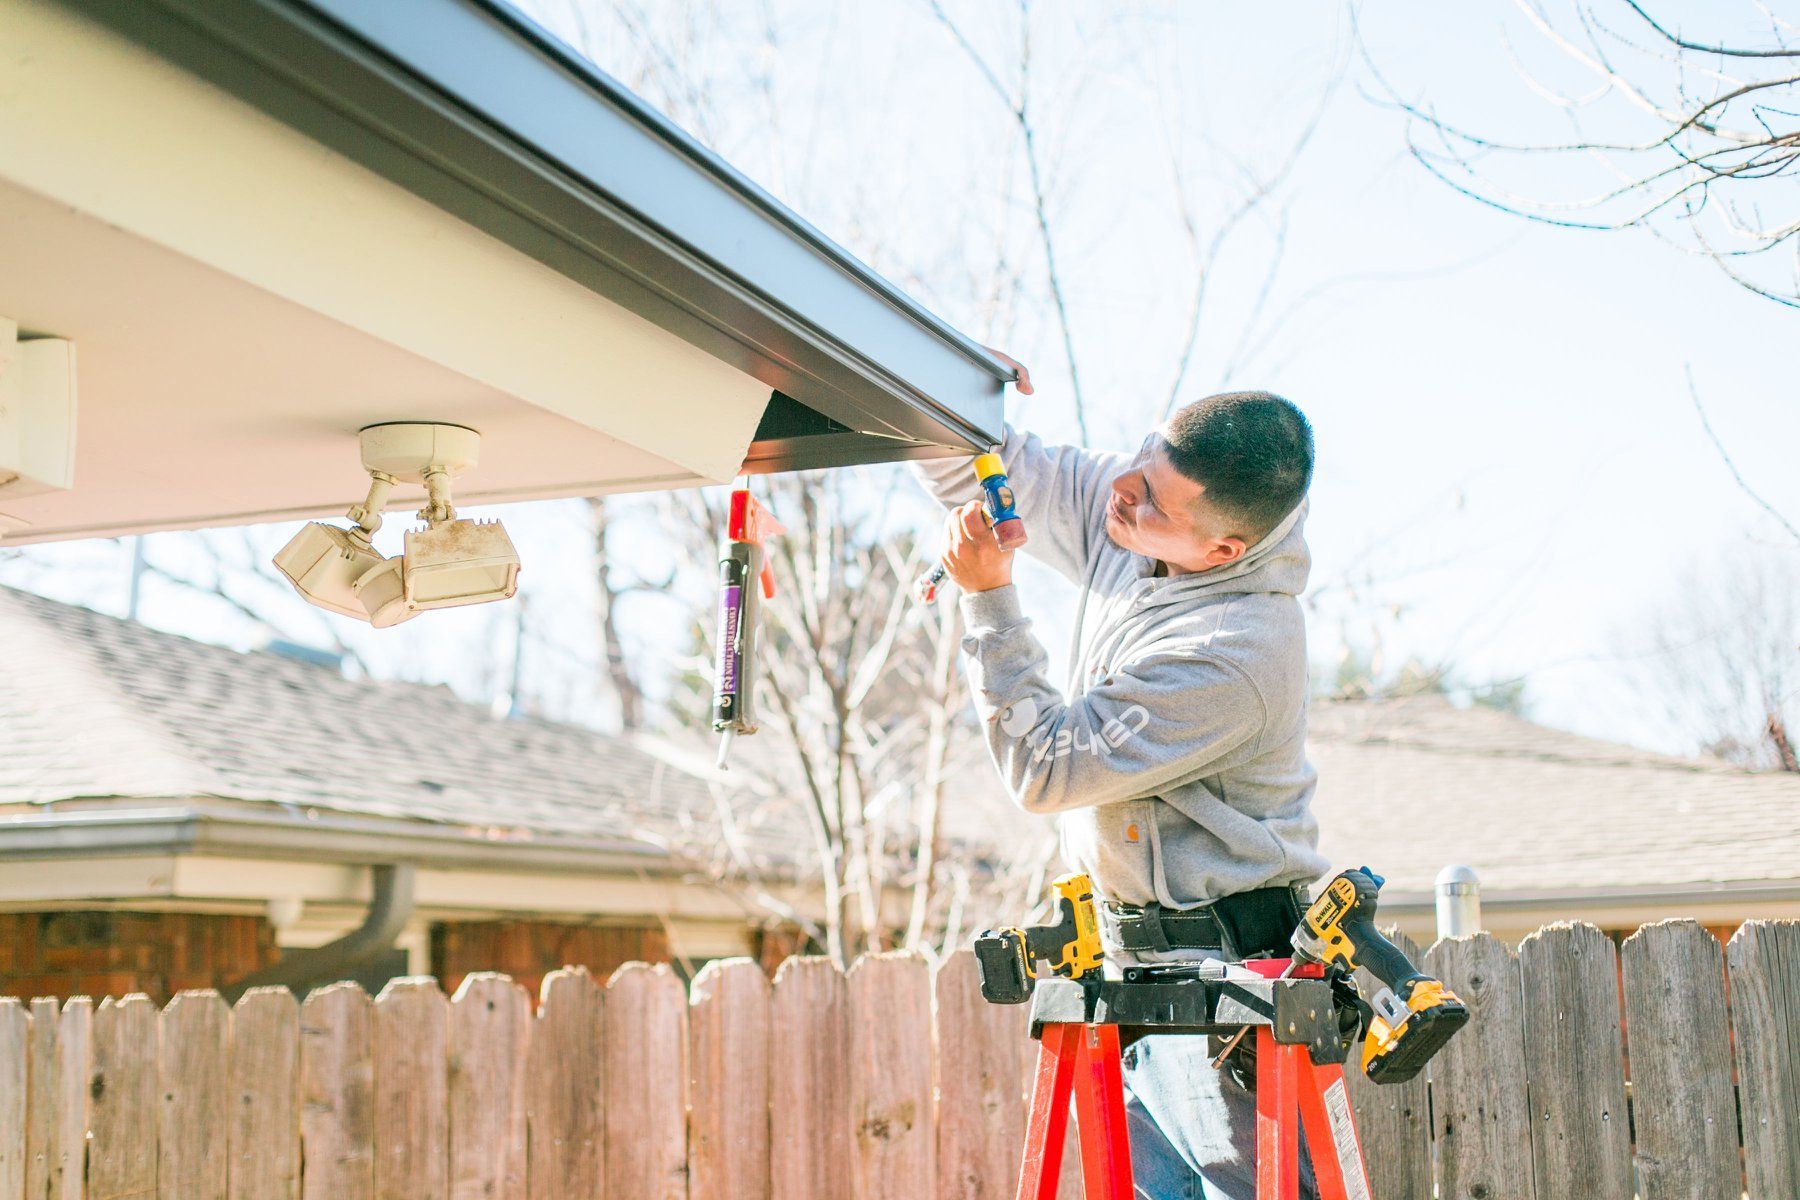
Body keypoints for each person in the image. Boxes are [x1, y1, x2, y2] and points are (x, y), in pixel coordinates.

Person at [916, 351, 1326, 1199]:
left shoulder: (1240, 652)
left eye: (1153, 500)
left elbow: (1049, 770)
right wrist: (941, 372)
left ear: (1223, 548)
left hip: (1230, 999)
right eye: (1142, 461)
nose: (1123, 493)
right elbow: (982, 466)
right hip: (1135, 974)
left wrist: (989, 600)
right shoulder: (1140, 518)